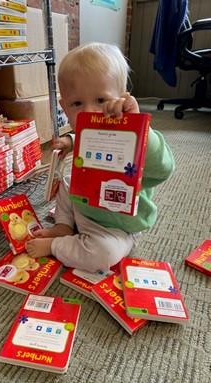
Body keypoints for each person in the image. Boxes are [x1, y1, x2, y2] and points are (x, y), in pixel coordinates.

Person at [26, 42, 175, 272]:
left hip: (117, 227)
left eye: (101, 100)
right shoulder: (89, 132)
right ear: (65, 108)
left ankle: (58, 244)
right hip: (82, 205)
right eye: (77, 103)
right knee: (66, 185)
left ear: (123, 100)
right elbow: (84, 141)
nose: (89, 112)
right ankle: (64, 226)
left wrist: (141, 132)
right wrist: (71, 142)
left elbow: (163, 168)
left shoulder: (135, 140)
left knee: (103, 256)